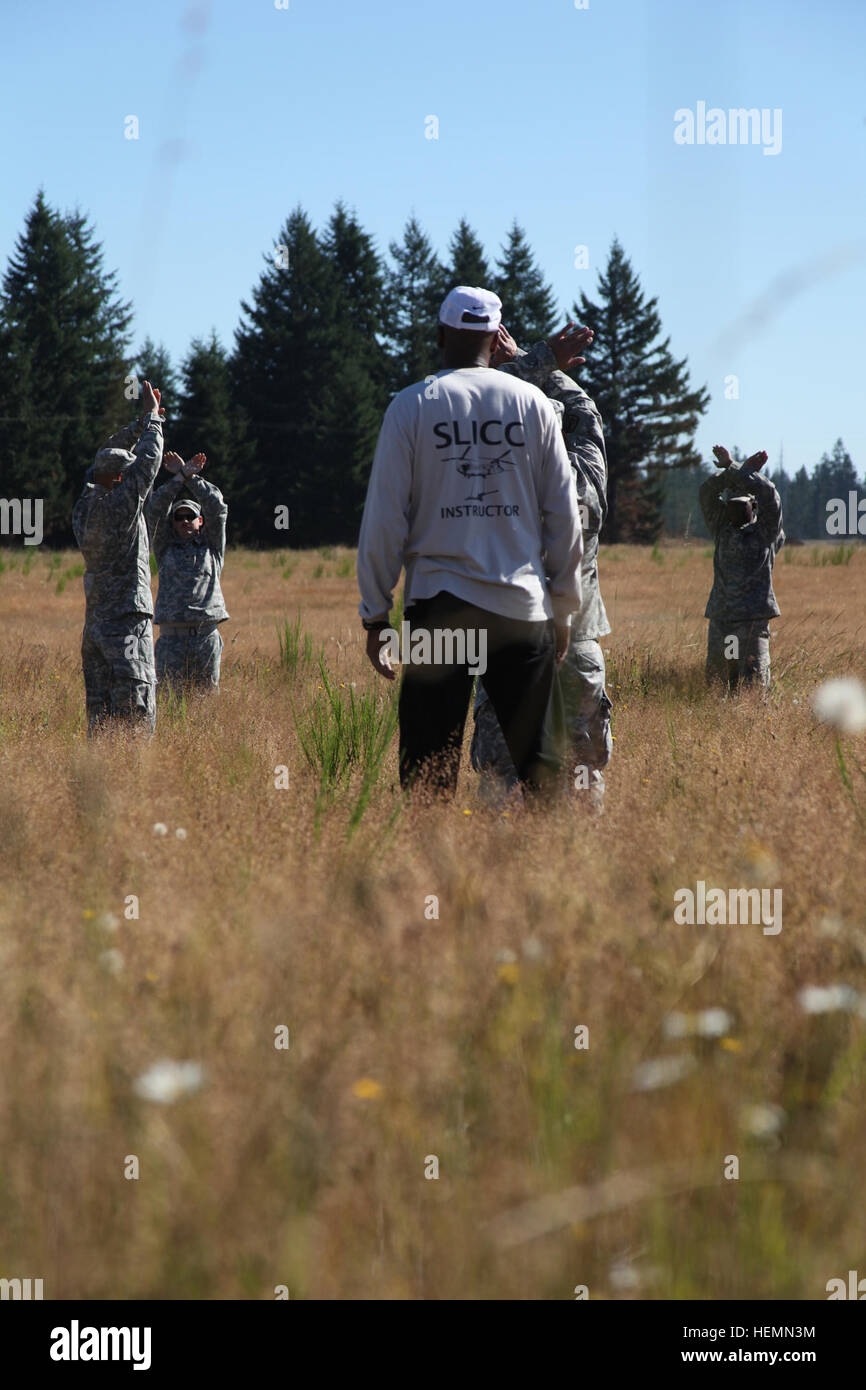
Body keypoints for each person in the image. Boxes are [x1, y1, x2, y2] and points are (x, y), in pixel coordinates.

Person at [357, 285, 583, 797]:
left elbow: (384, 520)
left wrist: (375, 615)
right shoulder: (535, 405)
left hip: (441, 610)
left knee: (428, 773)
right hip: (520, 612)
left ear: (440, 334)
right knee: (542, 771)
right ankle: (556, 873)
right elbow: (563, 517)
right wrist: (564, 607)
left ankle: (431, 876)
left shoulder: (412, 406)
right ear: (494, 337)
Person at [471, 321, 613, 808]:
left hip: (506, 641)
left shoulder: (496, 483)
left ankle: (496, 871)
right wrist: (549, 372)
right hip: (576, 643)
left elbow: (476, 401)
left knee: (499, 778)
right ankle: (578, 868)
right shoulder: (588, 473)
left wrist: (526, 362)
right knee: (583, 776)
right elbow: (586, 414)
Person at [72, 381, 165, 735]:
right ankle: (133, 782)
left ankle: (101, 778)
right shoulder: (121, 505)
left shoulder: (83, 509)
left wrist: (138, 425)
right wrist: (153, 420)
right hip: (127, 622)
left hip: (95, 627)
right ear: (121, 478)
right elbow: (149, 462)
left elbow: (106, 456)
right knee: (135, 715)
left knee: (102, 718)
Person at [699, 444, 785, 689]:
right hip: (722, 621)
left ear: (754, 507)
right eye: (730, 502)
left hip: (751, 624)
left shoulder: (766, 531)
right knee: (719, 685)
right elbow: (706, 492)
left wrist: (738, 469)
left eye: (742, 503)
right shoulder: (720, 527)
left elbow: (769, 493)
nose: (734, 506)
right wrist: (733, 471)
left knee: (753, 690)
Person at [145, 452, 229, 691]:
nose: (184, 521)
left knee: (206, 701)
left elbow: (217, 507)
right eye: (178, 517)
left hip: (206, 636)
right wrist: (178, 478)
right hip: (171, 639)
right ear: (172, 523)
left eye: (190, 516)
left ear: (200, 521)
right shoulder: (164, 547)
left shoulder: (212, 547)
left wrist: (192, 478)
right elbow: (154, 510)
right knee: (169, 697)